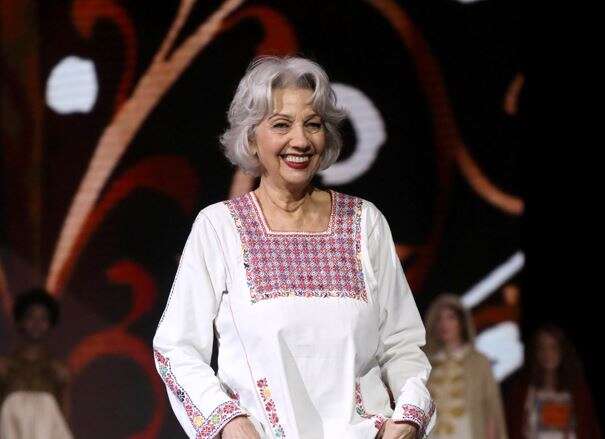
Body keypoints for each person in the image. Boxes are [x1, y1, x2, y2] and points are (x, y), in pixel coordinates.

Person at [152, 55, 436, 439]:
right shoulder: (219, 228)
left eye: (313, 124)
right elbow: (176, 348)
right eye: (281, 125)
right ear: (251, 138)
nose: (300, 140)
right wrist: (228, 420)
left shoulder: (364, 222)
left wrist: (408, 418)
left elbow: (403, 344)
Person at [424, 294, 507, 439]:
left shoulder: (479, 362)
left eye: (451, 317)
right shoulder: (426, 362)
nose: (444, 324)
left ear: (461, 322)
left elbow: (491, 409)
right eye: (439, 319)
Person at [0, 288, 73, 439]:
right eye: (30, 317)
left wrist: (64, 384)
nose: (37, 323)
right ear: (20, 321)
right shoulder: (5, 366)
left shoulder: (58, 370)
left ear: (50, 324)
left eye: (43, 318)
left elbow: (62, 420)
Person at [506, 325, 601, 439]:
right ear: (535, 352)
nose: (547, 353)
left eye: (553, 347)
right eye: (542, 347)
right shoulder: (521, 392)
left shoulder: (579, 393)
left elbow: (590, 430)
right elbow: (512, 429)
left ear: (562, 350)